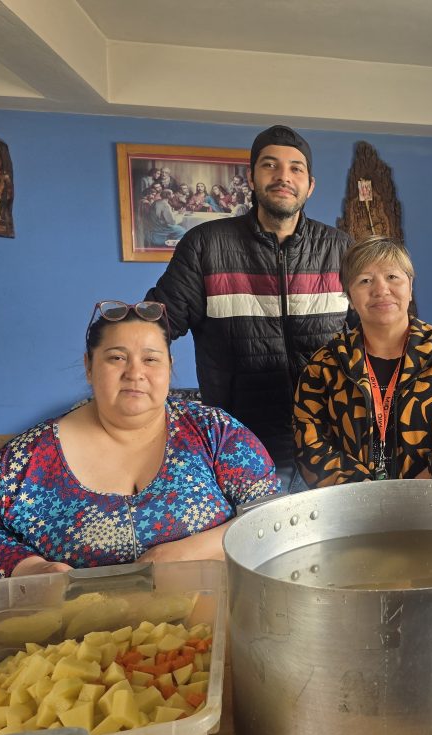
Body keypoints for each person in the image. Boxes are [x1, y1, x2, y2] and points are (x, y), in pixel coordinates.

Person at [0, 300, 280, 586]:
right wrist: (32, 568)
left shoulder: (214, 431)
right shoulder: (26, 457)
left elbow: (273, 514)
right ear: (89, 366)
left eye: (150, 359)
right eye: (116, 358)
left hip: (213, 618)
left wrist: (186, 552)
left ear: (169, 367)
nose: (135, 373)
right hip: (75, 629)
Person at [147, 125, 353, 490]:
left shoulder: (342, 250)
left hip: (332, 449)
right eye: (270, 165)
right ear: (251, 178)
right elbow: (155, 325)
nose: (283, 176)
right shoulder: (205, 245)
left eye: (295, 168)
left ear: (310, 185)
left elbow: (379, 334)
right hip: (241, 452)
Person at [293, 236, 432, 486]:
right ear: (350, 297)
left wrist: (417, 490)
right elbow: (309, 445)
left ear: (410, 286)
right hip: (356, 504)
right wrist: (366, 494)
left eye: (392, 277)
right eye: (365, 280)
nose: (381, 290)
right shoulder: (324, 365)